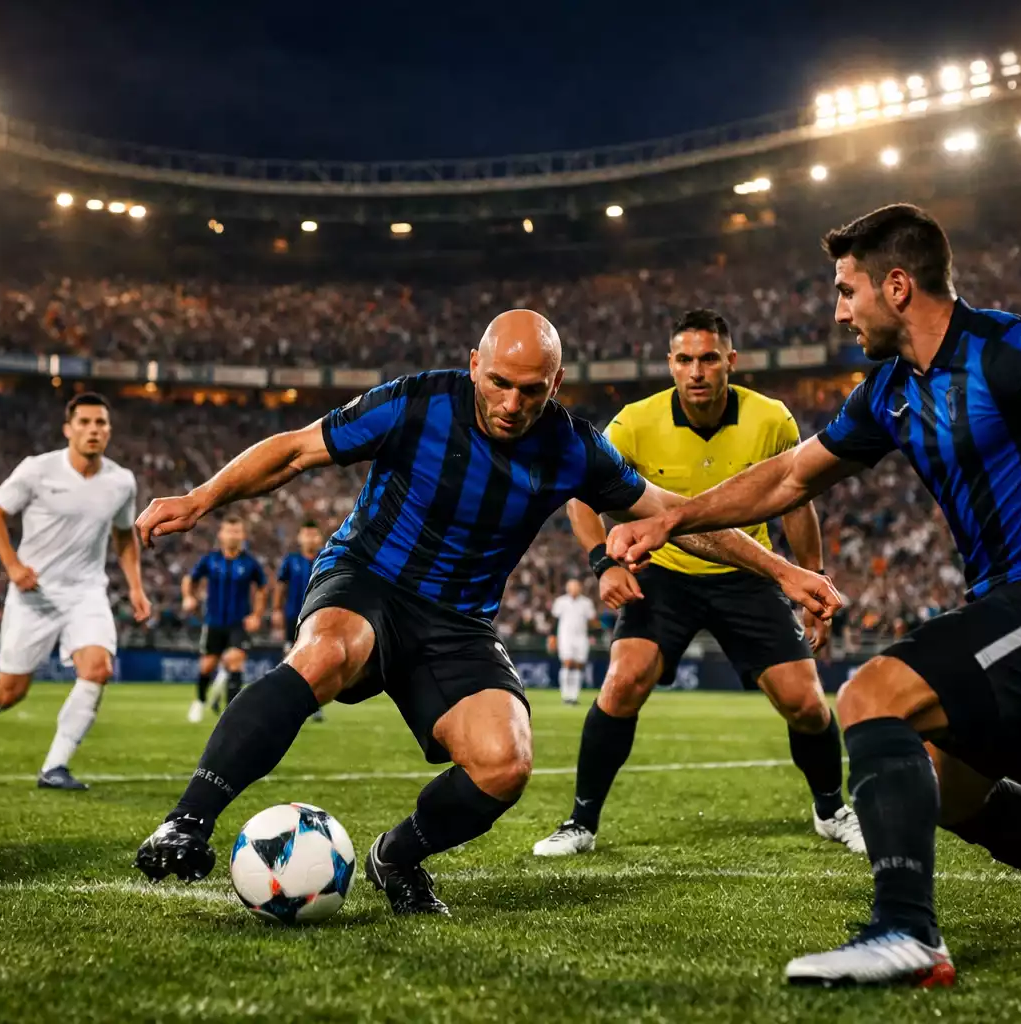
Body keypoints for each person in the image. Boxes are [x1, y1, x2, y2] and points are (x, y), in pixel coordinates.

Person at [609, 204, 1021, 986]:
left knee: (872, 695)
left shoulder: (1002, 348)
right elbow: (790, 477)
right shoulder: (889, 391)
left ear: (897, 286)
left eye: (847, 291)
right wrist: (674, 518)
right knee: (950, 793)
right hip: (1007, 601)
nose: (839, 312)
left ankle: (907, 932)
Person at [130, 308, 841, 917]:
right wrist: (202, 498)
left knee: (505, 764)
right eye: (498, 381)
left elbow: (677, 516)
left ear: (555, 384)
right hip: (369, 578)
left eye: (531, 390)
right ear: (475, 364)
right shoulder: (416, 402)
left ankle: (395, 857)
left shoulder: (572, 446)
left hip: (458, 621)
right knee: (325, 654)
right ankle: (187, 821)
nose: (511, 403)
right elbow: (294, 452)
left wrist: (785, 571)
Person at [533, 309, 863, 859]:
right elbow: (581, 494)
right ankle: (580, 822)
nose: (697, 371)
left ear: (730, 361)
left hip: (749, 574)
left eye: (709, 358)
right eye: (685, 359)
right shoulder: (635, 423)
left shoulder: (771, 419)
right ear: (670, 364)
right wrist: (603, 563)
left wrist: (811, 578)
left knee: (806, 703)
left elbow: (797, 502)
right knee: (622, 682)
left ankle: (831, 810)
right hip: (665, 576)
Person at [0, 392, 149, 790]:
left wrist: (136, 587)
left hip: (87, 593)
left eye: (101, 423)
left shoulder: (121, 481)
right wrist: (13, 566)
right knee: (9, 692)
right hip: (34, 596)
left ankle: (55, 767)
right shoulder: (38, 470)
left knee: (98, 669)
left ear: (109, 430)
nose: (93, 430)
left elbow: (125, 536)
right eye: (84, 422)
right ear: (68, 429)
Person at [183, 517, 266, 722]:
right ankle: (200, 700)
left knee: (235, 660)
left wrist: (256, 615)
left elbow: (262, 588)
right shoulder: (210, 560)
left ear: (243, 535)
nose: (233, 535)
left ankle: (231, 714)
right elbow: (190, 579)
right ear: (221, 535)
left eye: (237, 531)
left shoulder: (250, 563)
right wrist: (188, 597)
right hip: (214, 622)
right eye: (229, 531)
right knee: (207, 666)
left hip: (238, 623)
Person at [274, 520, 327, 722]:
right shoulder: (291, 560)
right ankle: (288, 701)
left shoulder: (327, 557)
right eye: (306, 535)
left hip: (318, 616)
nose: (310, 539)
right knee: (291, 658)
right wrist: (277, 610)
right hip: (293, 616)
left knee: (318, 659)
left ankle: (315, 703)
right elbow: (280, 587)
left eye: (313, 535)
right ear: (299, 538)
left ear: (320, 538)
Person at [547, 578, 597, 705]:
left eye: (576, 586)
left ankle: (574, 696)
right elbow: (554, 621)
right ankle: (565, 695)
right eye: (572, 587)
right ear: (568, 588)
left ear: (580, 588)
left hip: (581, 637)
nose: (574, 589)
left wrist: (593, 634)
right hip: (565, 636)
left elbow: (592, 621)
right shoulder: (561, 602)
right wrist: (552, 637)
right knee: (567, 663)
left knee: (579, 665)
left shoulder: (587, 603)